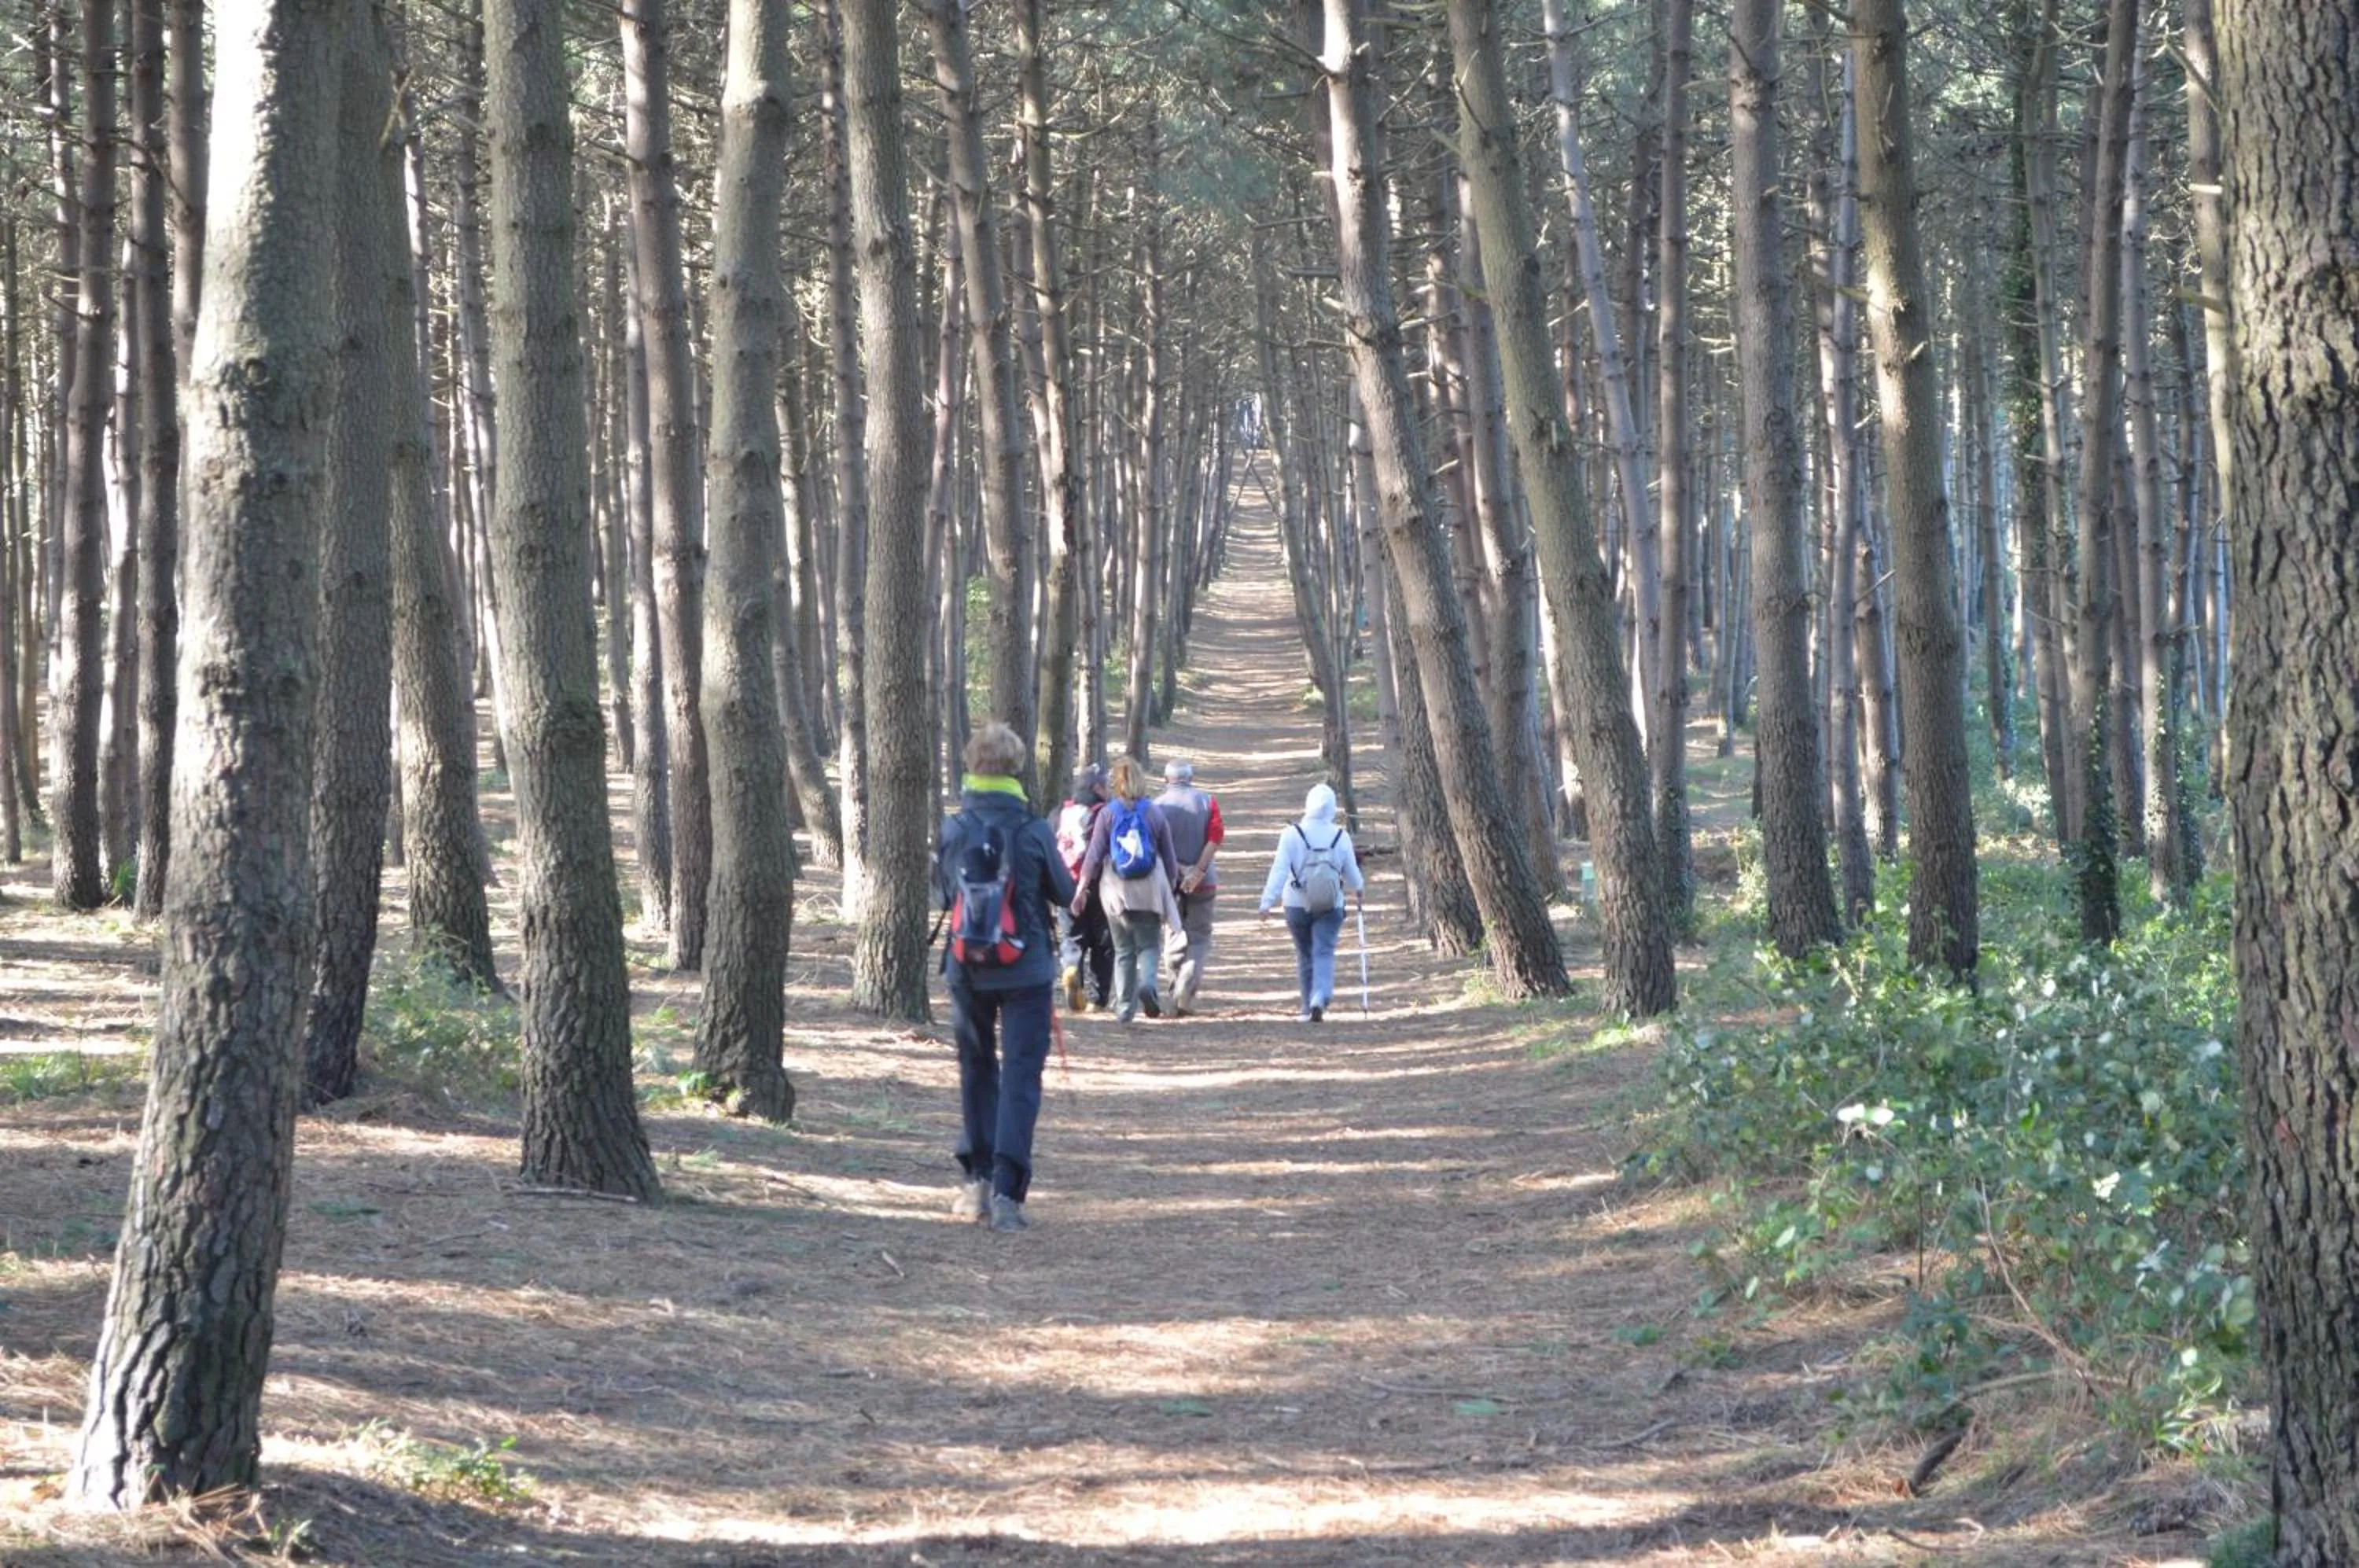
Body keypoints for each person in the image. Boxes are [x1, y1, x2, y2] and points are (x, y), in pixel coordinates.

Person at [935, 722, 1075, 1232]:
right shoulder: (1034, 830)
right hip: (1027, 969)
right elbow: (1065, 893)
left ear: (973, 766)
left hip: (966, 968)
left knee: (976, 1071)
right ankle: (1008, 1196)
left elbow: (941, 895)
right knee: (1020, 1077)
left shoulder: (953, 829)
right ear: (1016, 767)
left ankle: (976, 1183)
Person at [1071, 756, 1183, 1023]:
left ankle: (1124, 1009)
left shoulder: (1107, 814)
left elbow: (1093, 857)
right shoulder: (1154, 812)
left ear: (1116, 783)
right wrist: (1171, 887)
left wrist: (1081, 889)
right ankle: (1148, 985)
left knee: (1123, 951)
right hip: (1149, 891)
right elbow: (1170, 858)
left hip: (1115, 892)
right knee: (1149, 946)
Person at [1257, 782, 1366, 1022]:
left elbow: (1279, 871)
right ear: (1332, 808)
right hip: (1331, 903)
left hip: (1296, 904)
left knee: (1305, 953)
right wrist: (1359, 888)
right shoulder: (1341, 836)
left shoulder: (1291, 834)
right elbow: (1351, 872)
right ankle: (1320, 995)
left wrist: (1267, 902)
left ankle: (1307, 1007)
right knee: (1324, 950)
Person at [1153, 758, 1225, 1014]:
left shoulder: (1155, 806)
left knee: (1173, 933)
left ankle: (1175, 988)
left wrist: (1177, 869)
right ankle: (1187, 979)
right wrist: (1198, 870)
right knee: (1199, 936)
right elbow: (1216, 837)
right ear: (1191, 779)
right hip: (1203, 882)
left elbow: (1152, 845)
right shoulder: (1208, 802)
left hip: (1168, 882)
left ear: (1166, 779)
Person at [1054, 764, 1115, 1012]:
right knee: (1103, 942)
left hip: (1067, 885)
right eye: (1107, 785)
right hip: (1101, 885)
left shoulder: (1060, 812)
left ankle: (1071, 969)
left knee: (1072, 937)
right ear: (1097, 788)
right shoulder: (1107, 814)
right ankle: (1098, 999)